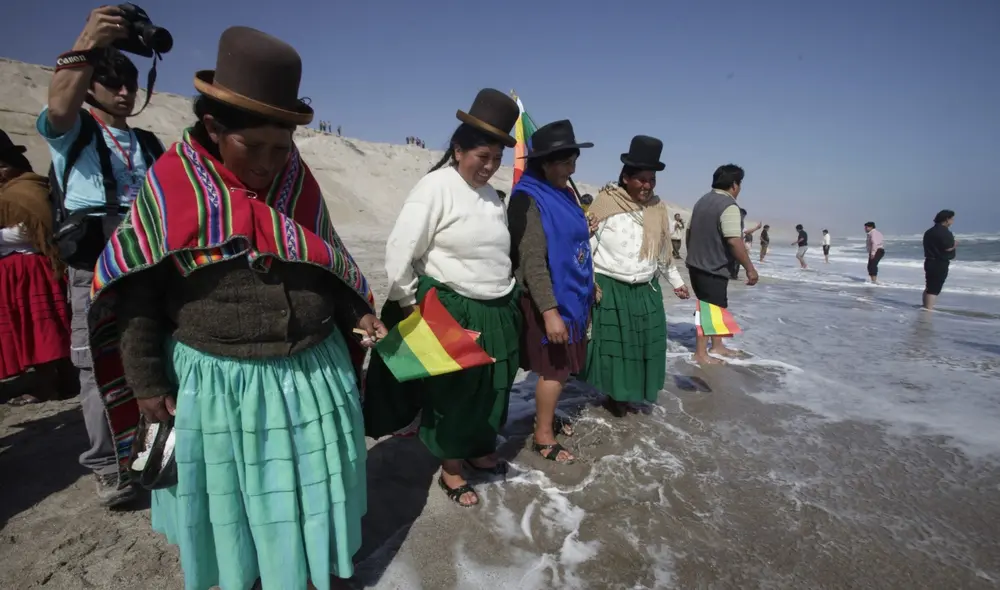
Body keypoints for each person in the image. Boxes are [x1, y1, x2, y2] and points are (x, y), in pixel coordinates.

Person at [86, 27, 385, 590]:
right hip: (221, 386)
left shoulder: (298, 181)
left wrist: (355, 312)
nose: (271, 163)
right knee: (235, 501)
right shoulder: (171, 185)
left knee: (306, 491)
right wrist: (147, 382)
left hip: (309, 372)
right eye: (255, 146)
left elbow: (325, 260)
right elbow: (140, 293)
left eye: (282, 147)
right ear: (214, 127)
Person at [366, 89, 522, 508]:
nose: (489, 167)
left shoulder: (493, 197)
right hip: (454, 307)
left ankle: (476, 450)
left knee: (492, 388)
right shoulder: (435, 187)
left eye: (496, 159)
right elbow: (401, 250)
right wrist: (408, 304)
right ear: (458, 150)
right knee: (457, 394)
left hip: (496, 306)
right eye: (481, 157)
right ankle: (451, 470)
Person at [37, 6, 165, 507]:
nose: (124, 92)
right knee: (96, 368)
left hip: (145, 262)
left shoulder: (150, 143)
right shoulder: (73, 132)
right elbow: (61, 105)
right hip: (94, 262)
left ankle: (152, 455)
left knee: (154, 357)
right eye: (112, 82)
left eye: (130, 82)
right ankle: (109, 467)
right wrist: (87, 43)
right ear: (91, 84)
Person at [583, 136, 689, 417]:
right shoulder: (604, 204)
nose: (647, 186)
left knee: (643, 346)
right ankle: (616, 396)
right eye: (641, 179)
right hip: (610, 288)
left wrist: (677, 283)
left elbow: (663, 253)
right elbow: (585, 248)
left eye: (651, 179)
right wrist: (588, 284)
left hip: (645, 290)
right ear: (626, 177)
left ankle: (631, 393)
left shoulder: (657, 209)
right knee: (616, 350)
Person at [508, 119, 595, 463]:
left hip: (571, 294)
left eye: (574, 161)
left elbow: (570, 244)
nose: (571, 169)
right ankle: (542, 436)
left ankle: (545, 416)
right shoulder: (528, 199)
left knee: (559, 370)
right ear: (544, 163)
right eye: (564, 162)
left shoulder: (563, 193)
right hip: (548, 300)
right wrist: (550, 311)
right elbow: (531, 261)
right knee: (555, 369)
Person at [0, 131, 72, 406]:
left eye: (3, 165)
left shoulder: (27, 191)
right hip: (17, 275)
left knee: (40, 329)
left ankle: (48, 387)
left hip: (32, 273)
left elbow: (30, 232)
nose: (0, 172)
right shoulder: (8, 192)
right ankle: (61, 382)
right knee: (40, 329)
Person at [685, 164, 758, 365]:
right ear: (734, 185)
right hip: (713, 267)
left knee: (715, 306)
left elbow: (689, 231)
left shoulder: (702, 201)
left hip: (696, 264)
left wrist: (693, 254)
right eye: (740, 183)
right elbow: (734, 240)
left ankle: (717, 345)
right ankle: (700, 353)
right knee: (709, 308)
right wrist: (750, 268)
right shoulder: (729, 206)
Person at [922, 210, 956, 310]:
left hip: (929, 261)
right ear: (946, 219)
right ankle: (928, 309)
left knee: (929, 286)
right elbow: (947, 248)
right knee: (934, 288)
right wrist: (955, 245)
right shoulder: (945, 232)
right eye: (951, 219)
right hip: (939, 262)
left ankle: (925, 307)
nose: (952, 221)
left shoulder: (929, 232)